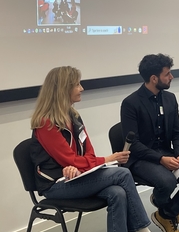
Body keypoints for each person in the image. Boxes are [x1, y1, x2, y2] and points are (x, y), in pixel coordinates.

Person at [29, 66, 151, 232]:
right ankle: (142, 229)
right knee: (122, 173)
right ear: (63, 89)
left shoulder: (74, 116)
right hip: (55, 185)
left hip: (76, 177)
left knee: (117, 192)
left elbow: (88, 153)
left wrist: (78, 167)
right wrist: (107, 159)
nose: (82, 89)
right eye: (77, 85)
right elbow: (69, 160)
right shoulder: (46, 123)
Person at [121, 54, 179, 232]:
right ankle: (166, 206)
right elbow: (135, 144)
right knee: (168, 181)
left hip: (168, 153)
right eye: (167, 74)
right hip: (141, 159)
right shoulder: (130, 104)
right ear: (154, 78)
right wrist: (161, 159)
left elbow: (177, 132)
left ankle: (166, 212)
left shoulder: (170, 99)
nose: (172, 77)